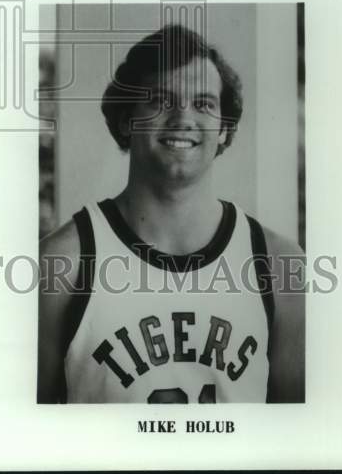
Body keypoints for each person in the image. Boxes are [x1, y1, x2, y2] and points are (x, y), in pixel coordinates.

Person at [37, 24, 304, 404]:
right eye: (161, 101)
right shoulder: (61, 265)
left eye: (204, 104)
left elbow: (295, 448)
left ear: (225, 129)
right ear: (127, 120)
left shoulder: (281, 266)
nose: (183, 119)